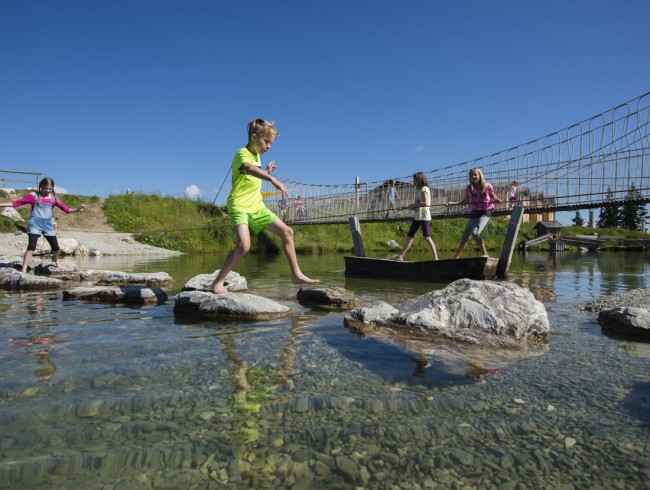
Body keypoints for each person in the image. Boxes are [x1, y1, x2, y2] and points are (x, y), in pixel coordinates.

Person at [211, 118, 319, 294]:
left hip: (256, 205)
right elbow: (247, 168)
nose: (268, 146)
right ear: (254, 137)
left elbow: (252, 175)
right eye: (266, 141)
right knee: (244, 246)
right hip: (239, 205)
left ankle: (296, 274)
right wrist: (271, 178)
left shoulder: (257, 157)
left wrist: (267, 171)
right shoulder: (242, 153)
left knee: (287, 232)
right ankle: (218, 281)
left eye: (271, 143)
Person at [0, 177, 86, 272]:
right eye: (46, 188)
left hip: (48, 225)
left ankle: (57, 262)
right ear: (41, 186)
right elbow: (16, 203)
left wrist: (78, 209)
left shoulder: (54, 199)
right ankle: (23, 270)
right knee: (31, 247)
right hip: (34, 224)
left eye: (50, 189)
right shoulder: (33, 196)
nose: (48, 191)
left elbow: (67, 210)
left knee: (56, 248)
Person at [444, 167, 502, 259]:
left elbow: (493, 197)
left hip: (485, 211)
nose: (473, 177)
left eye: (475, 174)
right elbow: (465, 201)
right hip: (474, 212)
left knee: (475, 232)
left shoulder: (487, 186)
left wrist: (497, 200)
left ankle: (485, 253)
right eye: (471, 175)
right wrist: (451, 203)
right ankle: (455, 258)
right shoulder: (469, 188)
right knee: (465, 237)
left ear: (480, 175)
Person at [391, 172, 439, 261]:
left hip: (424, 216)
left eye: (415, 180)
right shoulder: (417, 190)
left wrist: (413, 205)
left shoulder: (424, 189)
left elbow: (426, 203)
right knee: (410, 236)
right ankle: (401, 256)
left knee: (427, 237)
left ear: (420, 180)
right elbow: (416, 205)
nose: (413, 182)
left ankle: (436, 258)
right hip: (417, 216)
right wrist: (405, 208)